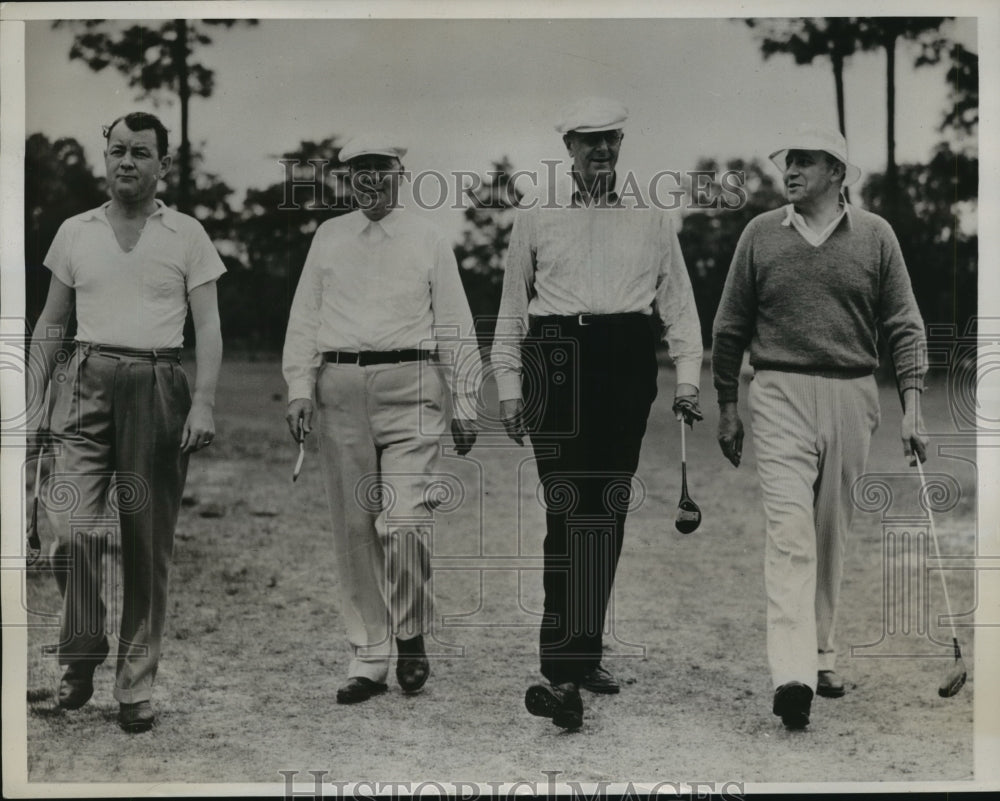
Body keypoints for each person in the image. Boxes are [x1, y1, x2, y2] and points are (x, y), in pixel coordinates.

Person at [491, 97, 704, 731]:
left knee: (605, 506)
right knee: (566, 505)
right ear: (568, 148)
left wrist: (687, 379)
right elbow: (510, 309)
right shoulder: (536, 218)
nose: (602, 151)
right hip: (557, 357)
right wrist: (507, 385)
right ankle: (561, 669)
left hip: (627, 358)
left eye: (611, 139)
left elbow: (681, 307)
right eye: (589, 141)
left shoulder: (651, 216)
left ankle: (583, 655)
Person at [711, 124, 928, 730]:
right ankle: (793, 676)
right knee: (790, 534)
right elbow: (730, 327)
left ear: (837, 172)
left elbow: (905, 326)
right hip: (778, 390)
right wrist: (728, 404)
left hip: (853, 394)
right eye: (788, 161)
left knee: (831, 531)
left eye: (805, 161)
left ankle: (823, 652)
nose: (791, 170)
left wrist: (912, 407)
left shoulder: (876, 236)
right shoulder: (760, 235)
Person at [27, 111, 225, 733]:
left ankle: (135, 687)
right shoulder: (75, 232)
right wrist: (32, 405)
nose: (127, 162)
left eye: (141, 152)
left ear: (163, 165)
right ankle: (82, 652)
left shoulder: (187, 234)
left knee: (146, 544)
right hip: (85, 384)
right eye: (117, 151)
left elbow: (211, 328)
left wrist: (205, 401)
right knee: (66, 529)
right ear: (104, 157)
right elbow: (51, 325)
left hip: (158, 384)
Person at [282, 135, 481, 704]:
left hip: (412, 387)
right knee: (354, 525)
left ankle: (412, 633)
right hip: (340, 387)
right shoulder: (329, 236)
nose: (370, 179)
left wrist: (465, 400)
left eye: (381, 168)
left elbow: (455, 323)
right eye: (358, 169)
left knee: (404, 520)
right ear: (348, 177)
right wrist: (299, 387)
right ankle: (368, 655)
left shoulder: (428, 237)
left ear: (400, 172)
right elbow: (304, 318)